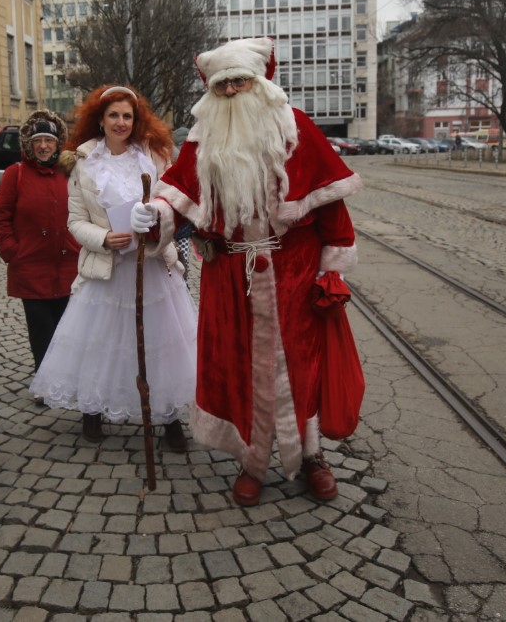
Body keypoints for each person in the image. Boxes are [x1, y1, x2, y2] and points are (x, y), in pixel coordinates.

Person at [130, 38, 363, 505]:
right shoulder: (204, 138)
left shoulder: (295, 128)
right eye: (224, 84)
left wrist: (332, 269)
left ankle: (312, 455)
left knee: (303, 366)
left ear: (261, 84)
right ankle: (252, 460)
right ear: (213, 91)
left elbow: (332, 209)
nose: (233, 91)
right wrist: (154, 215)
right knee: (236, 366)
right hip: (229, 274)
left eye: (241, 81)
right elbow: (178, 192)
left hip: (294, 272)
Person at [30, 85, 197, 450]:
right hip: (107, 270)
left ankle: (167, 416)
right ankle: (92, 409)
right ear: (100, 120)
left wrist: (156, 221)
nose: (121, 122)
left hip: (152, 266)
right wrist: (104, 237)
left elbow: (174, 205)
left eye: (127, 116)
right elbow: (74, 221)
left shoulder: (153, 158)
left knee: (159, 343)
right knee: (100, 344)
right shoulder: (83, 162)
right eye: (113, 116)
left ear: (136, 122)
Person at [0, 110, 81, 396]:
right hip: (31, 268)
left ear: (58, 144)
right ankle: (45, 384)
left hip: (68, 267)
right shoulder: (15, 175)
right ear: (29, 144)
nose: (43, 146)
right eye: (38, 140)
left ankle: (68, 380)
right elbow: (0, 217)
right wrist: (12, 252)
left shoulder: (70, 173)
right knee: (41, 331)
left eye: (49, 141)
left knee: (68, 330)